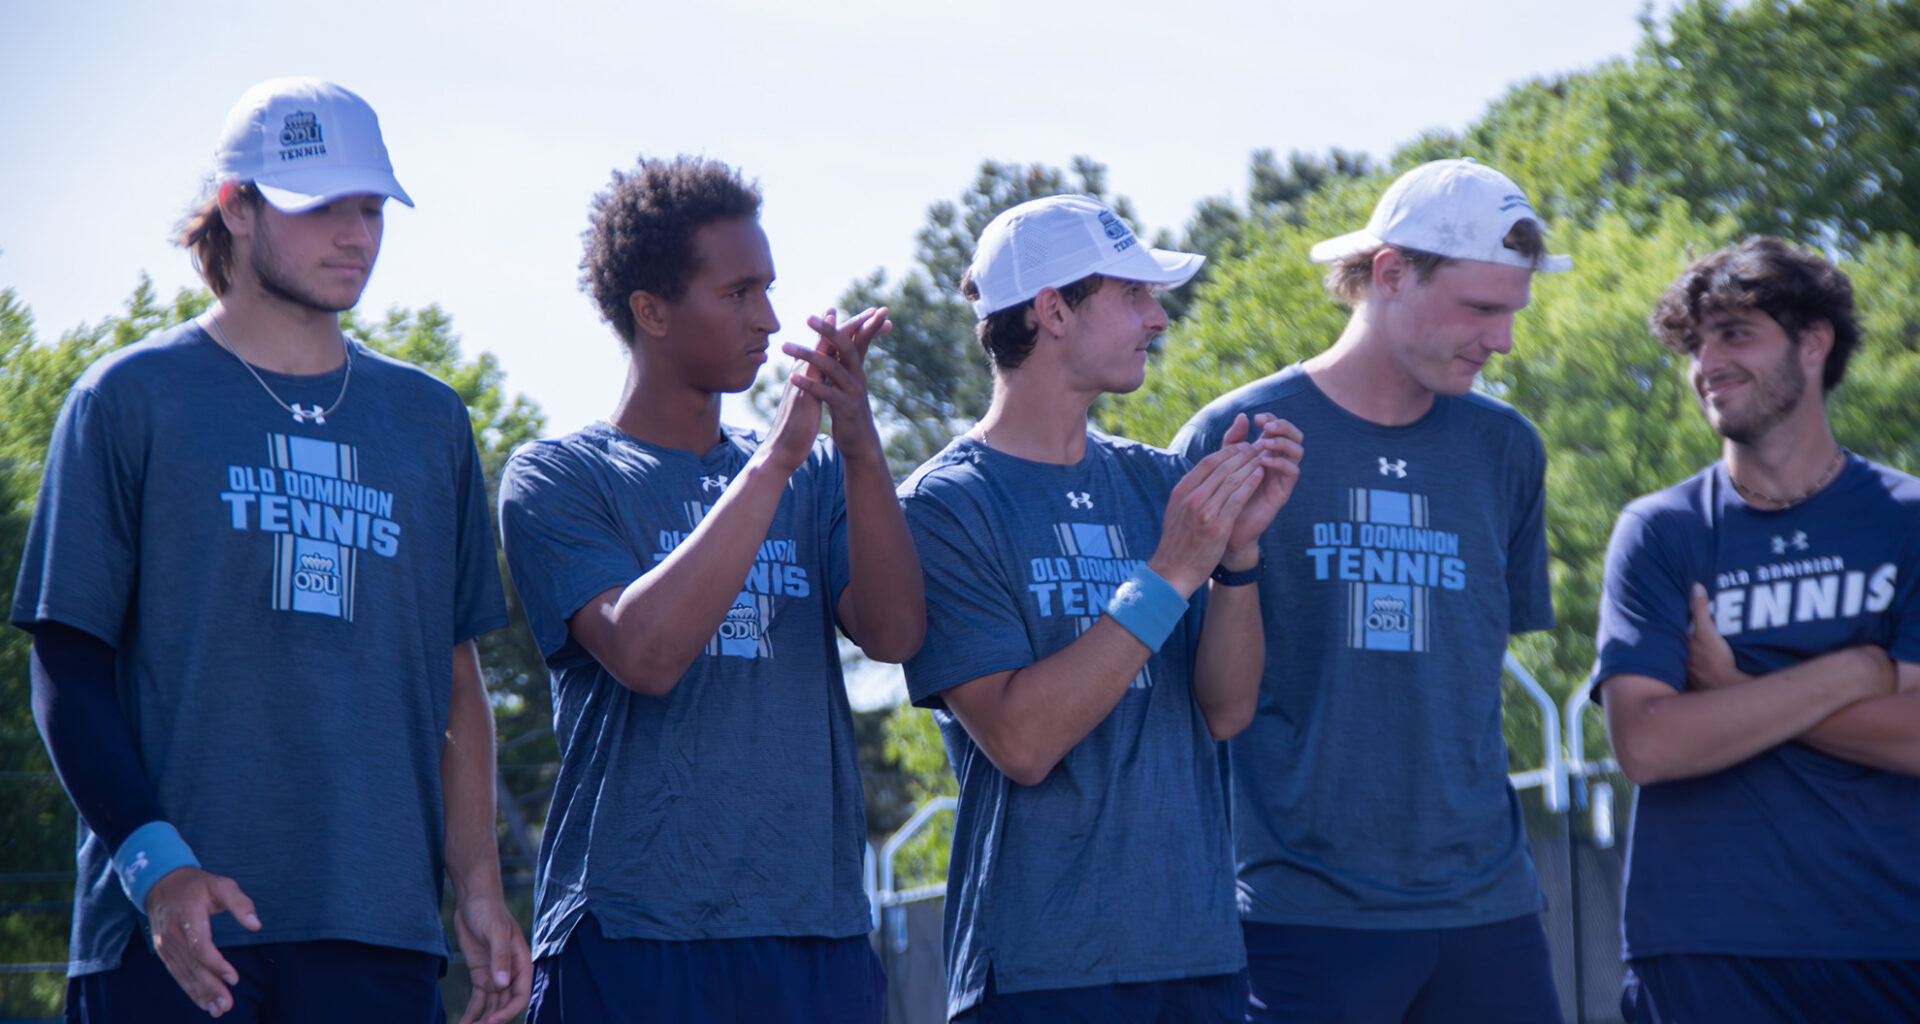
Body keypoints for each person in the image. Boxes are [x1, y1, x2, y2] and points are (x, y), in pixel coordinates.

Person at [13, 77, 529, 1023]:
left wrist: (480, 889)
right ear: (236, 207)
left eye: (371, 207)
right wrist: (157, 868)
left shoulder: (431, 421)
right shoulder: (128, 399)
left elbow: (457, 679)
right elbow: (65, 663)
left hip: (379, 932)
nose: (355, 234)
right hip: (176, 936)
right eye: (319, 206)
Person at [495, 155, 924, 1024]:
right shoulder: (558, 477)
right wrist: (777, 460)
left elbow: (896, 635)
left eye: (768, 289)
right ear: (651, 311)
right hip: (633, 933)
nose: (768, 319)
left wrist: (859, 443)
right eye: (737, 294)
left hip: (816, 929)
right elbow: (646, 654)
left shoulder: (815, 475)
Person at [1174, 158, 1569, 1023]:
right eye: (1481, 308)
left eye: (1512, 311)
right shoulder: (1235, 436)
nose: (1502, 340)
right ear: (1389, 274)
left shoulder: (1507, 449)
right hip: (1293, 915)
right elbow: (1186, 698)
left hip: (1489, 908)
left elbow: (1463, 672)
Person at [898, 194, 1303, 1022]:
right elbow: (1021, 743)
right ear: (1052, 311)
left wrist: (1236, 558)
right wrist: (1170, 572)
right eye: (1132, 293)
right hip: (1043, 970)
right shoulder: (943, 506)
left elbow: (1226, 712)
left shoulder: (1158, 482)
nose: (1158, 317)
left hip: (1199, 953)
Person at [1592, 236, 1920, 1022]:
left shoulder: (1908, 521)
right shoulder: (1660, 531)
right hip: (1702, 945)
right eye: (1695, 346)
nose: (1707, 364)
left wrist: (1734, 689)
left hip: (1890, 938)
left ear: (1813, 343)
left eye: (1735, 334)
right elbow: (1649, 744)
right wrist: (1851, 672)